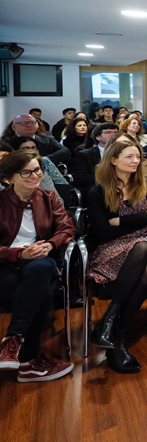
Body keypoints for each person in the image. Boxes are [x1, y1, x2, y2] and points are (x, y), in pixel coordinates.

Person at [85, 139, 147, 373]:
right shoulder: (97, 191)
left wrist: (122, 220)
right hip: (111, 247)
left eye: (138, 157)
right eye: (129, 157)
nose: (135, 161)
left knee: (144, 245)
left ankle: (110, 325)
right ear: (113, 160)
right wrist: (145, 217)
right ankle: (116, 335)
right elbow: (103, 231)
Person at [0, 151, 75, 382]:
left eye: (38, 170)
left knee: (41, 270)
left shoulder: (48, 197)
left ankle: (12, 343)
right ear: (9, 177)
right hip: (6, 262)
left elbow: (67, 229)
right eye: (27, 172)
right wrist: (20, 252)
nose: (35, 175)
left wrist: (50, 245)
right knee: (40, 291)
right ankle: (29, 362)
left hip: (40, 259)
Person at [2, 114, 71, 164]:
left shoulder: (48, 139)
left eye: (32, 122)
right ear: (14, 127)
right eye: (23, 123)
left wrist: (43, 159)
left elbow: (65, 151)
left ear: (37, 125)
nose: (29, 125)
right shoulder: (6, 143)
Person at [70, 122, 119, 193]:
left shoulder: (125, 153)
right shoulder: (84, 155)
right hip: (96, 187)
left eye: (116, 133)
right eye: (108, 132)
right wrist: (108, 180)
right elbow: (82, 178)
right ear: (98, 137)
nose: (114, 135)